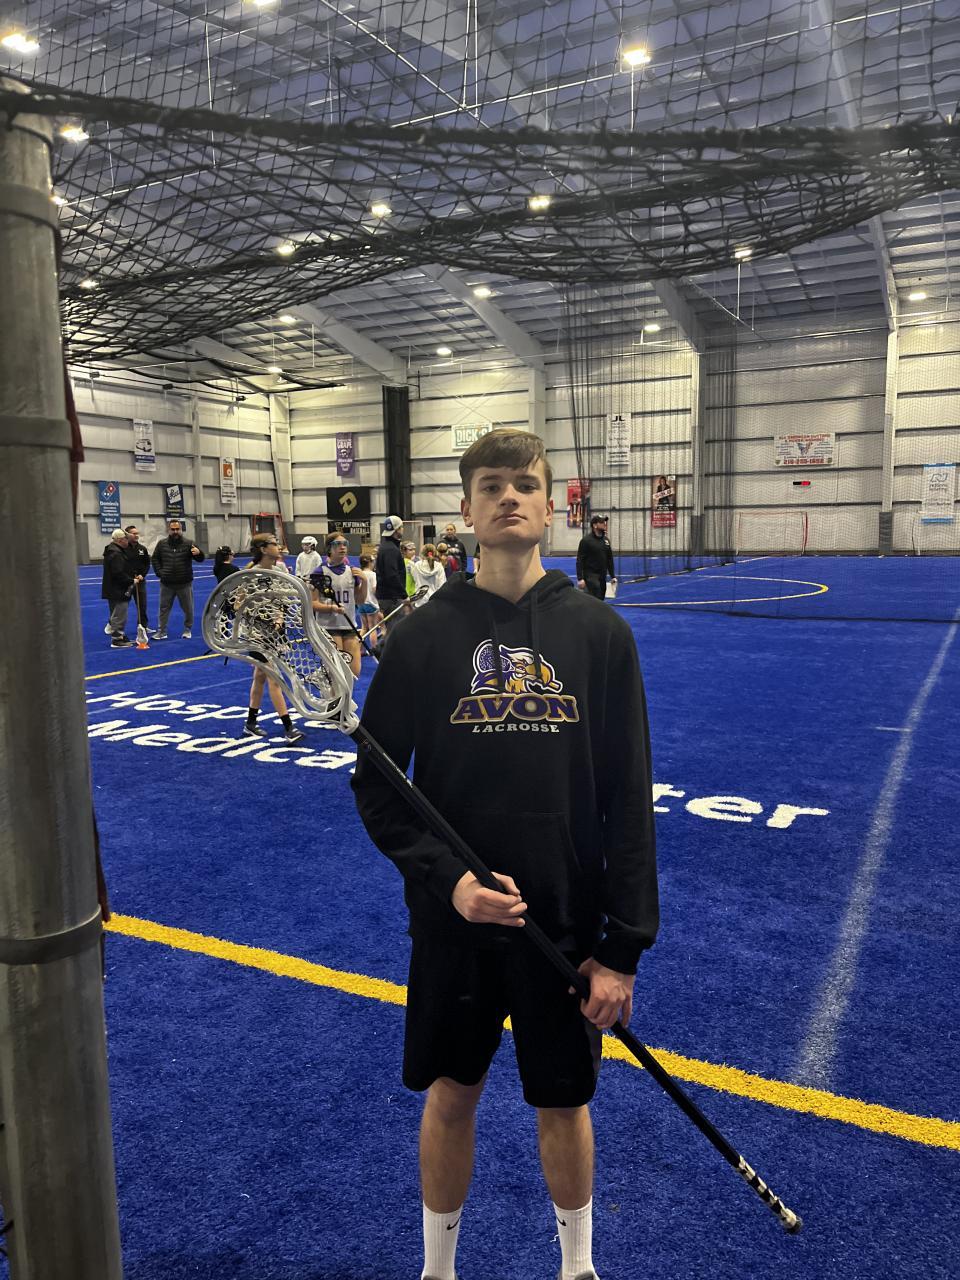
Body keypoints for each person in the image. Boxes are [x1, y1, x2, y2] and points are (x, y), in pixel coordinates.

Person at [352, 427, 658, 1280]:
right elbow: (378, 789)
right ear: (466, 510)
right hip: (453, 927)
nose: (509, 497)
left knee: (564, 1101)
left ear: (551, 506)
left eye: (525, 484)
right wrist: (450, 882)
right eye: (491, 485)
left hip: (564, 927)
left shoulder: (601, 635)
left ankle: (578, 1268)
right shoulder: (421, 639)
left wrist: (622, 949)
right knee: (452, 1094)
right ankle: (438, 1271)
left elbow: (629, 799)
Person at [238, 533, 305, 744]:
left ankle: (250, 723)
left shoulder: (279, 571)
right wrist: (259, 618)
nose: (279, 547)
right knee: (274, 679)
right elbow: (238, 604)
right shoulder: (250, 575)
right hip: (258, 636)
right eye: (274, 544)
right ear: (263, 549)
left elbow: (282, 602)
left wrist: (279, 617)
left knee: (260, 677)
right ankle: (289, 728)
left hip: (276, 634)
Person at [311, 532, 366, 678]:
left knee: (354, 672)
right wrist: (331, 608)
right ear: (329, 548)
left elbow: (360, 600)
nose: (342, 547)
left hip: (349, 625)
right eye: (338, 544)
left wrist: (365, 581)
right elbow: (312, 603)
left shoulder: (352, 572)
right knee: (337, 674)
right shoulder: (319, 572)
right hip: (328, 626)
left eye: (345, 544)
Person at [151, 519, 205, 638]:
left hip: (184, 583)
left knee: (188, 608)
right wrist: (160, 573)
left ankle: (187, 629)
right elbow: (155, 559)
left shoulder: (189, 543)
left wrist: (199, 553)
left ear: (181, 529)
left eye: (177, 529)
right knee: (163, 609)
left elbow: (200, 559)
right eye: (173, 529)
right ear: (168, 530)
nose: (175, 531)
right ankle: (162, 631)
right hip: (166, 583)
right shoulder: (161, 544)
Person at [101, 529, 143, 648]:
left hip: (112, 589)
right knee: (119, 614)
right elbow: (118, 573)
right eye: (126, 539)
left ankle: (119, 634)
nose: (128, 541)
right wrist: (131, 580)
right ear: (120, 540)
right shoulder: (116, 554)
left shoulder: (112, 551)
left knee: (116, 613)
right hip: (118, 589)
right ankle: (117, 638)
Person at [374, 515, 407, 642]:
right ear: (397, 530)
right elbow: (392, 575)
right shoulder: (391, 549)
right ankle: (385, 651)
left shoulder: (386, 547)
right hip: (391, 597)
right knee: (395, 630)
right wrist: (403, 594)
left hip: (387, 596)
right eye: (401, 527)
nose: (403, 529)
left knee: (392, 629)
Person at [576, 515, 614, 601]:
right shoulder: (586, 541)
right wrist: (580, 578)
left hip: (602, 576)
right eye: (602, 522)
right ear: (595, 525)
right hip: (590, 576)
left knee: (601, 598)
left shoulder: (606, 541)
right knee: (594, 598)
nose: (604, 524)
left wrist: (613, 576)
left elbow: (609, 559)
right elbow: (580, 560)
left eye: (604, 521)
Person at [123, 524, 151, 633]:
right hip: (127, 582)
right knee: (122, 606)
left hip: (140, 581)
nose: (136, 535)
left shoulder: (142, 549)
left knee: (142, 605)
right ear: (127, 535)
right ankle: (116, 627)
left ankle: (143, 626)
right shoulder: (123, 549)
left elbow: (147, 564)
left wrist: (142, 575)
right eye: (133, 533)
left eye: (137, 533)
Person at [357, 553, 383, 647]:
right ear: (370, 562)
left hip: (361, 603)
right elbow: (374, 589)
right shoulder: (373, 575)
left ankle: (358, 648)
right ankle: (374, 649)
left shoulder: (359, 573)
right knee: (373, 628)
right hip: (371, 603)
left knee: (364, 628)